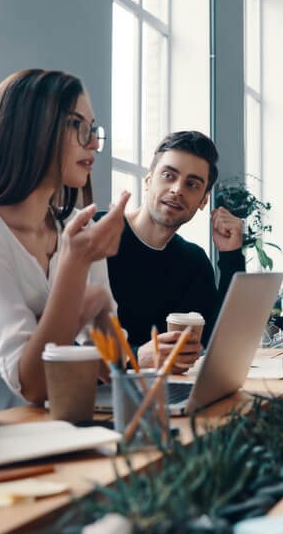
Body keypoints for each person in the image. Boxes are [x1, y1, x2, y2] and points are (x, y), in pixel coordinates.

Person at [0, 70, 128, 411]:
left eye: (93, 129)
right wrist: (75, 267)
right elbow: (32, 383)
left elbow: (112, 366)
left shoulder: (74, 229)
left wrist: (101, 305)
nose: (92, 143)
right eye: (77, 125)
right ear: (30, 130)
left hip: (47, 429)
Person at [104, 131, 246, 372]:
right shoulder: (95, 238)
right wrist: (136, 357)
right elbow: (62, 345)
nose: (177, 190)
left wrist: (231, 256)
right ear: (148, 180)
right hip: (96, 398)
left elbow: (220, 344)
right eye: (168, 175)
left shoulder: (194, 262)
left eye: (192, 184)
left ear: (203, 200)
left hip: (167, 396)